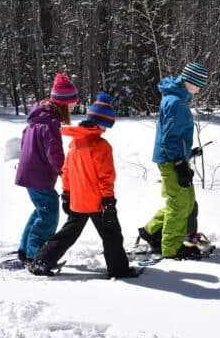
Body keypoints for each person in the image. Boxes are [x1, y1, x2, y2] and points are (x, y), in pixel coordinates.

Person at [29, 92, 142, 278]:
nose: (105, 130)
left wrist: (67, 194)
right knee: (112, 234)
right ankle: (119, 269)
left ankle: (42, 260)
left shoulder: (75, 142)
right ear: (98, 123)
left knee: (68, 234)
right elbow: (106, 176)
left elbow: (67, 171)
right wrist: (108, 200)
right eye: (105, 126)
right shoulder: (101, 145)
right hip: (98, 202)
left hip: (78, 201)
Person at [138, 62, 208, 260]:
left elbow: (175, 137)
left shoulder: (176, 99)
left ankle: (151, 231)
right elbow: (169, 138)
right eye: (198, 84)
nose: (199, 88)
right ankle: (172, 248)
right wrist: (178, 162)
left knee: (183, 203)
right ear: (189, 81)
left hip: (174, 158)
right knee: (179, 205)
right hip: (171, 160)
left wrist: (187, 153)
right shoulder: (176, 103)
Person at [15, 73, 78, 267]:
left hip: (31, 173)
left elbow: (25, 142)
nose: (73, 108)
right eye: (72, 105)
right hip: (38, 175)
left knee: (41, 210)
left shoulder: (38, 118)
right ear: (63, 104)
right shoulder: (50, 123)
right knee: (49, 214)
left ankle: (25, 250)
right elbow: (55, 154)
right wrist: (66, 173)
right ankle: (36, 256)